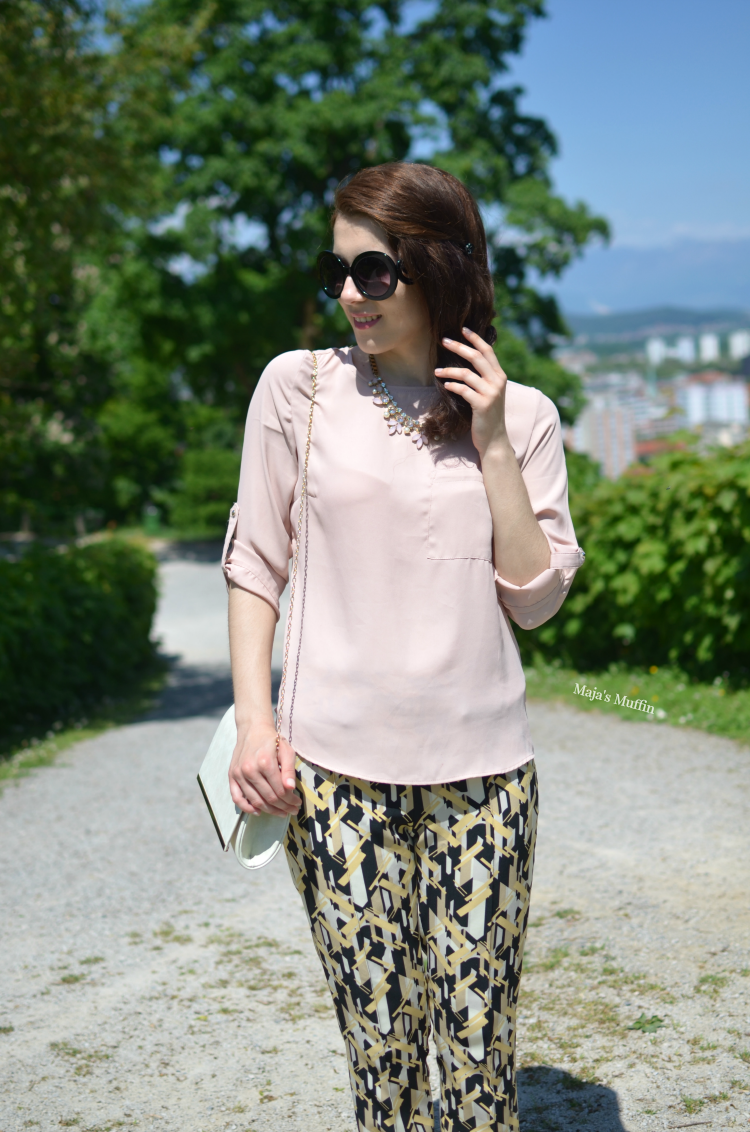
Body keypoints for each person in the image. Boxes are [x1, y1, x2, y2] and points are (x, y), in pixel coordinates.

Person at [222, 162, 584, 1132]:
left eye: (373, 271)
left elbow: (536, 600)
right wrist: (255, 724)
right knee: (383, 1065)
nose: (350, 293)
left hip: (486, 781)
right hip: (333, 777)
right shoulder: (298, 389)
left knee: (477, 1063)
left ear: (436, 268)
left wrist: (492, 440)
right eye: (338, 270)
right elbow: (255, 563)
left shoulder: (527, 416)